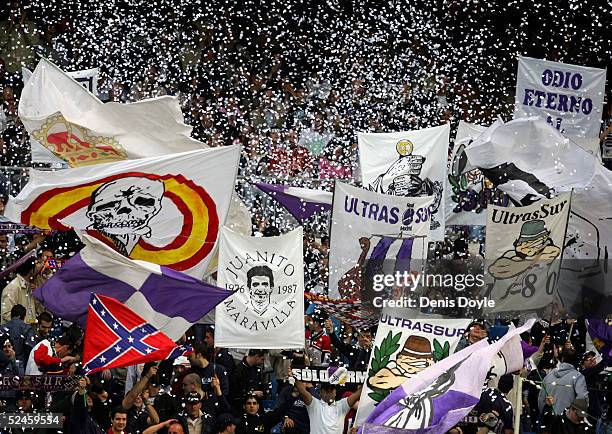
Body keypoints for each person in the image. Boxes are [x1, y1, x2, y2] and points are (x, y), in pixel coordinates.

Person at [291, 370, 362, 434]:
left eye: (332, 389)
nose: (329, 391)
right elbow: (302, 391)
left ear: (335, 392)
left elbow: (358, 393)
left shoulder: (342, 405)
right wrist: (294, 375)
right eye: (326, 389)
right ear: (321, 392)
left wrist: (368, 379)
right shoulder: (314, 404)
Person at [538, 347, 589, 415]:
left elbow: (541, 399)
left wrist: (545, 416)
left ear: (562, 359)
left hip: (549, 420)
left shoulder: (549, 375)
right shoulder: (578, 377)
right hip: (566, 422)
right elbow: (582, 400)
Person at [0, 256, 43, 325]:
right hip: (16, 332)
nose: (40, 266)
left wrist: (38, 293)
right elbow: (6, 314)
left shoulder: (31, 286)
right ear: (31, 269)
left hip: (29, 330)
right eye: (37, 263)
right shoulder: (13, 288)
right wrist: (25, 325)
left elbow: (34, 310)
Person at [0, 304, 35, 374]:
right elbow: (31, 349)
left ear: (11, 315)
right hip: (21, 365)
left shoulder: (2, 328)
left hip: (3, 365)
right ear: (24, 316)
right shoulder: (28, 328)